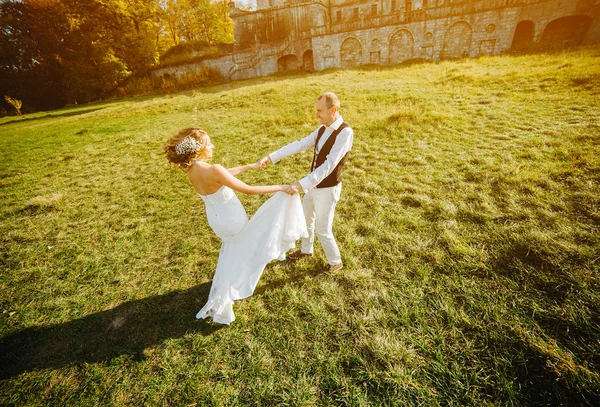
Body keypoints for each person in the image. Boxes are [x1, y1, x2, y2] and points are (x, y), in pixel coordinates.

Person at [164, 128, 308, 325]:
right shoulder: (214, 170)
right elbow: (247, 190)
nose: (212, 146)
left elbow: (223, 176)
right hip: (232, 219)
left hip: (216, 220)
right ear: (198, 149)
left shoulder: (193, 170)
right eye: (209, 143)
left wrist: (250, 167)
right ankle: (229, 292)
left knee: (233, 251)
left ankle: (226, 286)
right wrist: (280, 187)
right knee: (246, 248)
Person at [257, 92, 353, 273]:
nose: (316, 115)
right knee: (307, 220)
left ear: (333, 110)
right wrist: (272, 157)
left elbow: (329, 164)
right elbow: (300, 144)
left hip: (328, 189)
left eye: (320, 111)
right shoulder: (322, 128)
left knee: (322, 229)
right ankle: (306, 250)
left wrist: (301, 184)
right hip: (313, 186)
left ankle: (335, 262)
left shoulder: (345, 133)